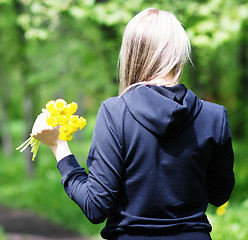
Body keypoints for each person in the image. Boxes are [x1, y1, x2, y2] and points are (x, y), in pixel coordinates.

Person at [32, 8, 235, 240]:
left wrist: (59, 147)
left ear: (132, 54)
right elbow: (219, 195)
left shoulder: (115, 112)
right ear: (179, 53)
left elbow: (96, 207)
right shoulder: (214, 116)